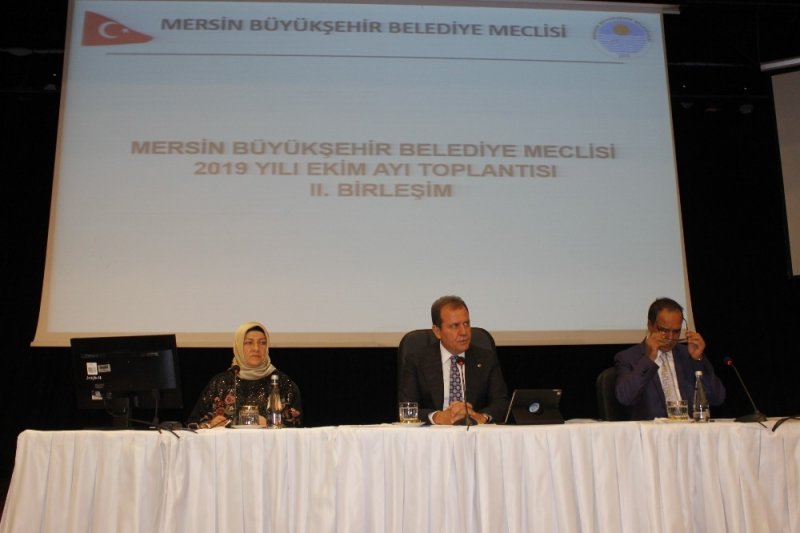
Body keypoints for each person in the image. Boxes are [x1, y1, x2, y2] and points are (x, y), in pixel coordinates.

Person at [398, 295, 509, 425]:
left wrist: (481, 416)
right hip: (434, 434)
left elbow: (501, 403)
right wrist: (437, 417)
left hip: (475, 431)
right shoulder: (417, 360)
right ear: (437, 331)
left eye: (466, 324)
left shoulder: (486, 359)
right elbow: (407, 407)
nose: (464, 332)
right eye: (455, 326)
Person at [614, 297, 725, 420]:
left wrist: (698, 360)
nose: (671, 337)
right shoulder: (629, 358)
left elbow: (717, 398)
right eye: (664, 330)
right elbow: (625, 397)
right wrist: (649, 358)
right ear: (650, 325)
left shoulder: (688, 355)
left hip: (690, 427)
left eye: (676, 331)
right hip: (654, 430)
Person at [188, 321, 302, 428]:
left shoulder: (281, 382)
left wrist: (270, 423)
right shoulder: (220, 382)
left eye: (262, 343)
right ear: (238, 346)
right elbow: (194, 422)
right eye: (249, 343)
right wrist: (210, 424)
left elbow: (297, 424)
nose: (256, 348)